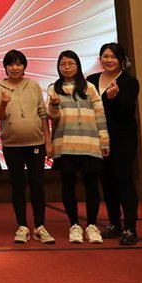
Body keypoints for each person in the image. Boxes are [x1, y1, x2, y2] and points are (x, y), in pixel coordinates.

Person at [0, 49, 55, 244]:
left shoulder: (33, 85)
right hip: (11, 145)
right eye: (11, 64)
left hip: (36, 144)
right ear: (5, 67)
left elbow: (43, 113)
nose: (15, 68)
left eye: (19, 64)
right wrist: (3, 103)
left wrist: (48, 142)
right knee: (18, 185)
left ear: (24, 66)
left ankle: (40, 226)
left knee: (37, 185)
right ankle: (22, 226)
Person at [47, 50, 109, 244]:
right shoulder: (54, 88)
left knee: (91, 185)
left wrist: (104, 141)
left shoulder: (89, 87)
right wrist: (54, 105)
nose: (67, 68)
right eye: (63, 64)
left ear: (77, 65)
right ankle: (74, 225)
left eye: (71, 63)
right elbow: (52, 116)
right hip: (65, 145)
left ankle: (92, 226)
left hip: (89, 144)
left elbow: (100, 115)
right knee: (68, 185)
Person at [87, 42, 141, 246]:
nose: (109, 60)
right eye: (105, 56)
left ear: (121, 60)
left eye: (113, 57)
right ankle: (114, 223)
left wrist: (114, 98)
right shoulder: (91, 81)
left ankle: (130, 228)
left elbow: (127, 110)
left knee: (124, 180)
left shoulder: (129, 82)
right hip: (99, 139)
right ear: (100, 59)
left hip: (123, 139)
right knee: (107, 182)